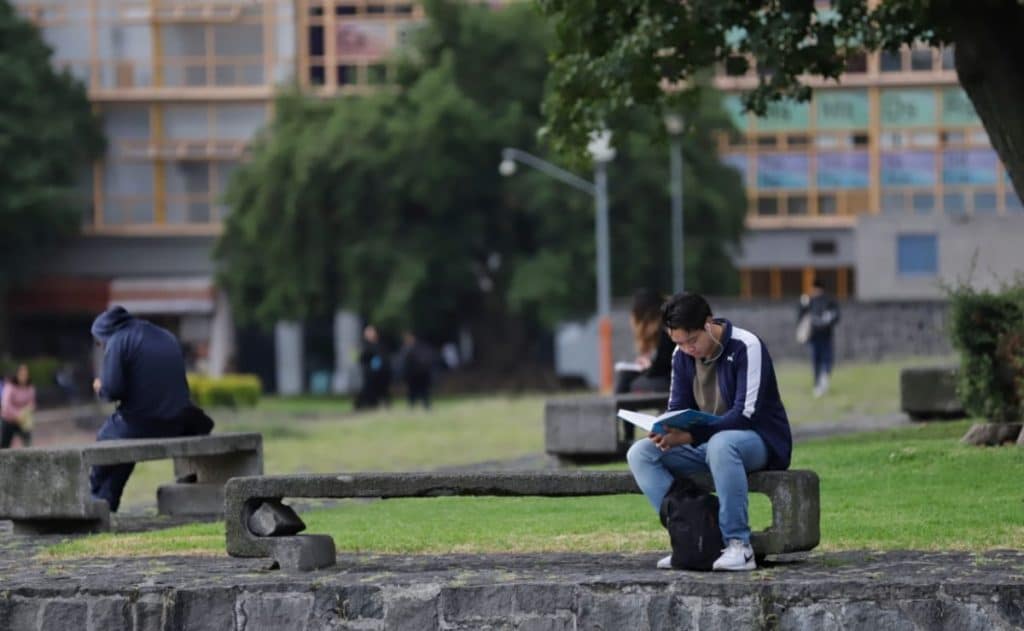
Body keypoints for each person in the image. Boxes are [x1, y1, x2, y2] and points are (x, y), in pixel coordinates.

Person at [626, 292, 792, 571]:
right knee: (641, 454)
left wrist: (690, 437)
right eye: (679, 343)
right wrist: (664, 429)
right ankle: (693, 539)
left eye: (692, 341)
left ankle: (739, 545)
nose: (688, 349)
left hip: (757, 441)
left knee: (721, 444)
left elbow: (744, 415)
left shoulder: (746, 346)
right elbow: (677, 406)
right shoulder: (681, 356)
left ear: (708, 323)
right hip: (707, 442)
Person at [89, 305, 213, 512]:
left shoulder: (118, 340)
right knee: (122, 448)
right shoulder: (164, 335)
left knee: (106, 440)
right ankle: (105, 503)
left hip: (142, 423)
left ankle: (94, 499)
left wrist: (100, 387)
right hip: (177, 423)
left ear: (104, 333)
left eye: (98, 341)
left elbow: (113, 389)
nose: (101, 346)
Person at [615, 288, 675, 395]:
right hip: (670, 379)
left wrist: (648, 367)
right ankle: (621, 410)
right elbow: (664, 363)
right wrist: (650, 365)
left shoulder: (666, 331)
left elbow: (664, 370)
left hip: (673, 382)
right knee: (627, 376)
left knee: (627, 379)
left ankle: (619, 411)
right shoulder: (665, 327)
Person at [797, 279, 841, 397]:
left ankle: (823, 379)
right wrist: (802, 304)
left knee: (827, 359)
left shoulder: (829, 300)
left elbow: (836, 316)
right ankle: (818, 384)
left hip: (825, 335)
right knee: (816, 360)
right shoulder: (809, 300)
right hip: (814, 336)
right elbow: (801, 317)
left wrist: (828, 319)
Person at [355, 324, 391, 409]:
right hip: (369, 373)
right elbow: (361, 359)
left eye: (371, 332)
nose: (369, 334)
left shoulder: (380, 345)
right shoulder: (364, 345)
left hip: (381, 373)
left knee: (382, 391)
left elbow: (385, 358)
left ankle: (382, 406)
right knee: (368, 391)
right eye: (367, 332)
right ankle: (364, 407)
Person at [1, 364, 36, 448]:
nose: (24, 376)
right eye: (21, 374)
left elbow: (31, 402)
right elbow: (6, 404)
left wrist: (27, 411)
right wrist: (17, 414)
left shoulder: (30, 388)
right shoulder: (10, 386)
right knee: (5, 445)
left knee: (28, 443)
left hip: (23, 421)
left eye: (26, 374)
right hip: (9, 420)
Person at [398, 331, 435, 410]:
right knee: (413, 392)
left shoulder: (415, 348)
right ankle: (414, 406)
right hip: (414, 375)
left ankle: (424, 406)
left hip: (419, 374)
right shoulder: (406, 349)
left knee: (422, 392)